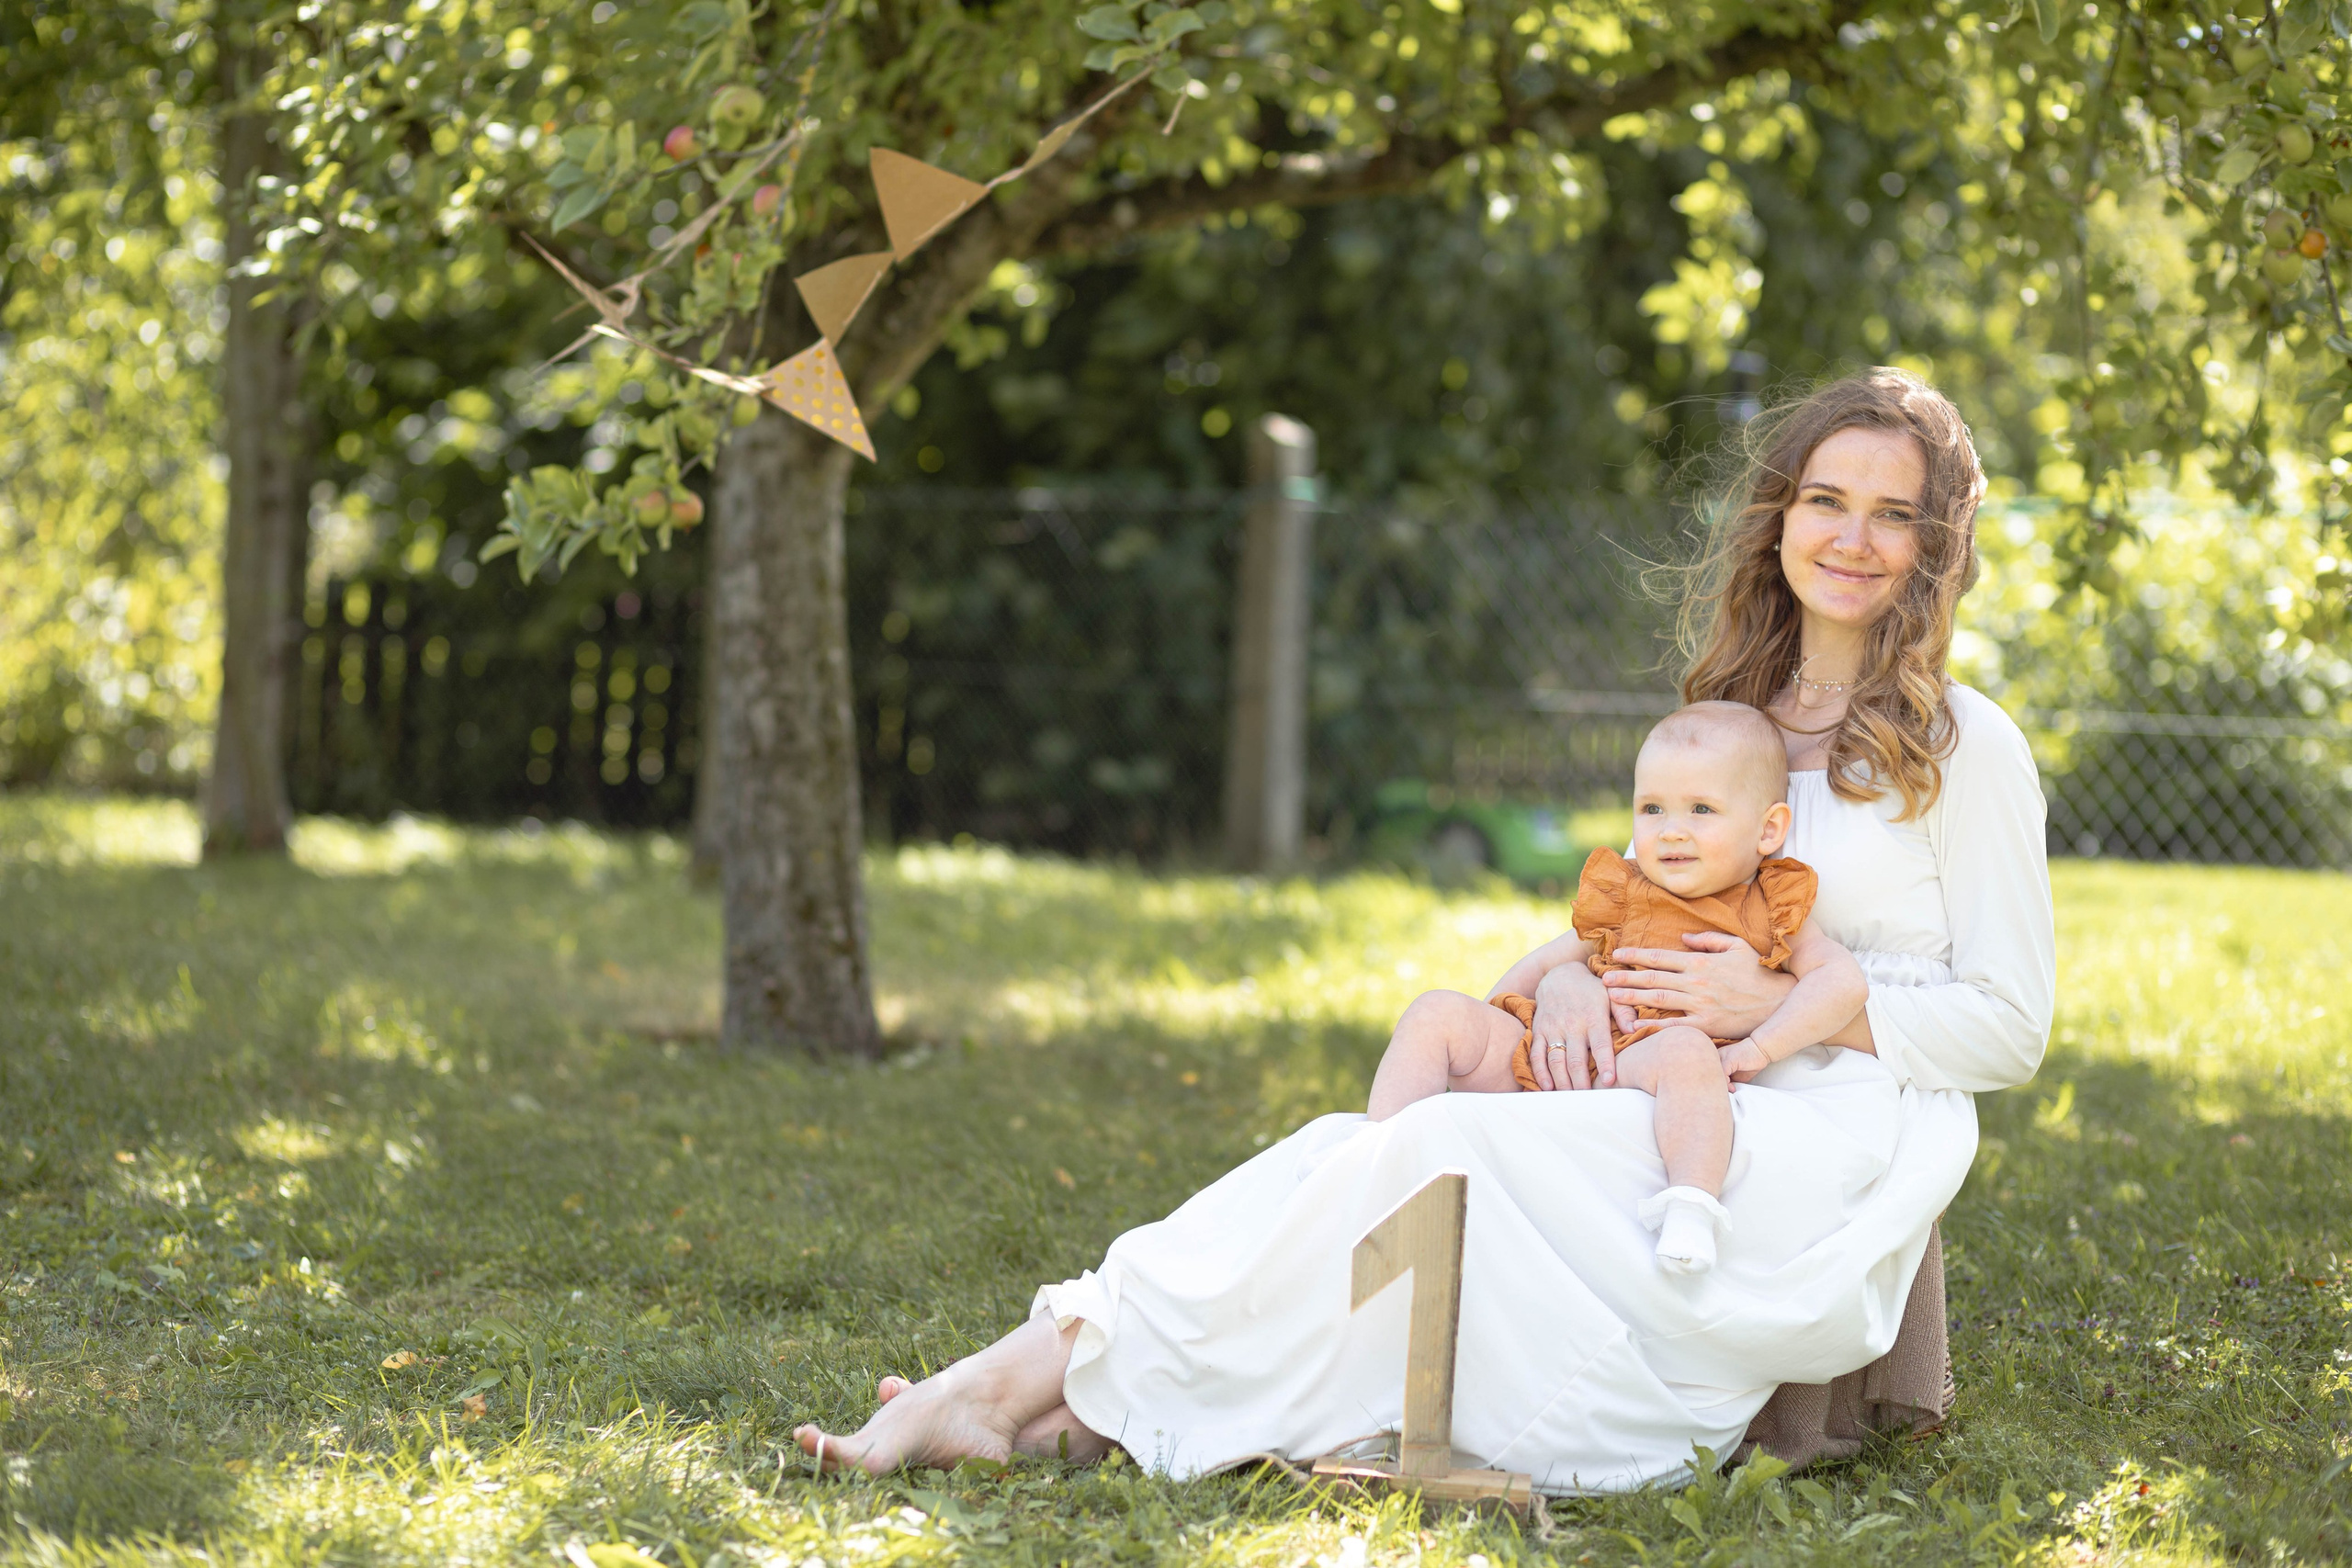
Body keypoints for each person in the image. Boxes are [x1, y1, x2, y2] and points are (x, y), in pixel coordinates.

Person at [794, 367, 2054, 1493]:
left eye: (1894, 514)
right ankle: (1040, 1397)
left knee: (1445, 1146)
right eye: (1827, 499)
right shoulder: (1735, 714)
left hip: (1823, 1121)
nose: (1853, 538)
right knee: (1368, 1150)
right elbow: (1644, 909)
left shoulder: (1964, 745)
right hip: (1665, 1067)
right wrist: (1566, 982)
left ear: (1936, 545)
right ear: (1779, 515)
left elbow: (2011, 1025)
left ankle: (1026, 1394)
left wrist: (1772, 1015)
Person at [1362, 700, 1873, 1278]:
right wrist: (1493, 1022)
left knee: (1688, 1053)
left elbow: (1842, 983)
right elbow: (1545, 962)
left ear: (1768, 830)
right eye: (1652, 808)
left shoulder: (1770, 906)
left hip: (1642, 1066)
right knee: (1434, 1012)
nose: (1671, 829)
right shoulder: (1624, 890)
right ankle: (1375, 1162)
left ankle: (1690, 1206)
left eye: (1702, 809)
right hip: (1553, 1056)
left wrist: (1761, 1046)